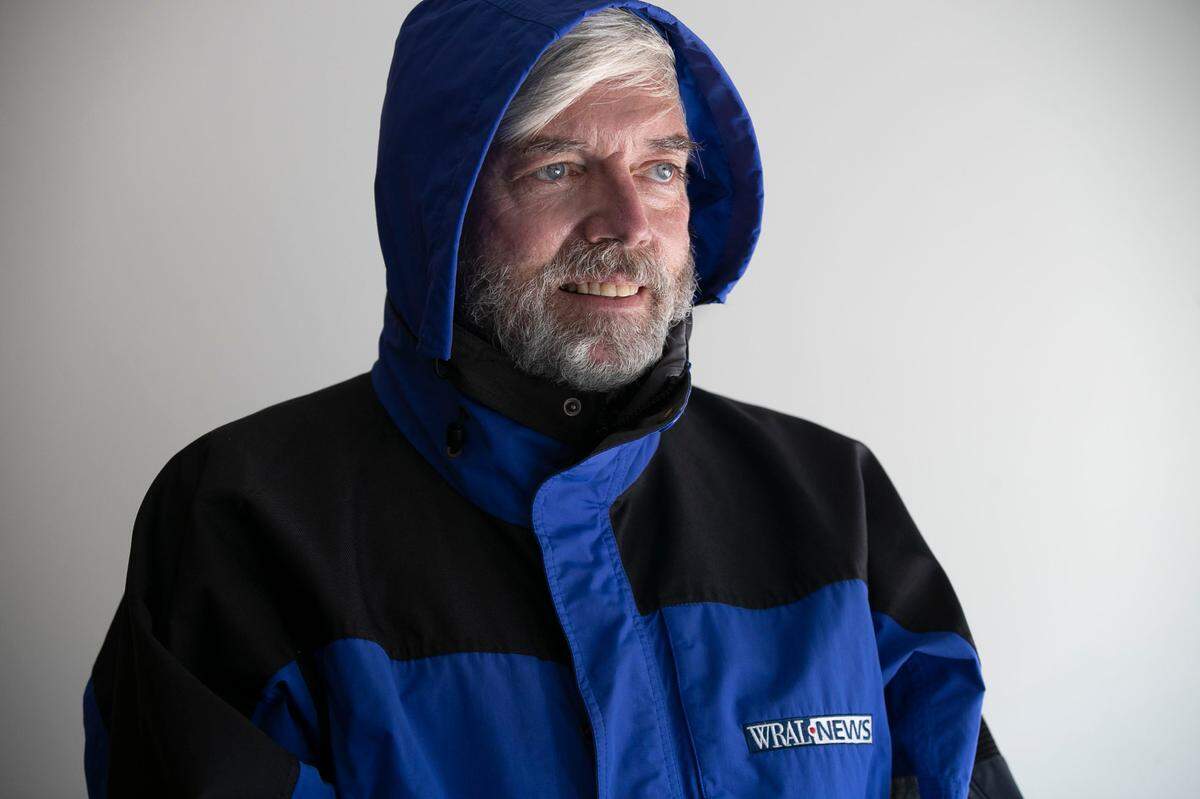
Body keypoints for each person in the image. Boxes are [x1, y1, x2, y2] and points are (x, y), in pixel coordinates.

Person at [82, 2, 1023, 798]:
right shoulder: (240, 524)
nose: (629, 223)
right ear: (438, 210)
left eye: (661, 167)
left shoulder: (834, 501)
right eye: (558, 167)